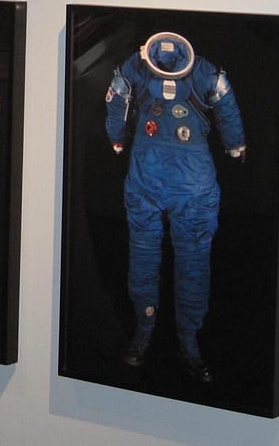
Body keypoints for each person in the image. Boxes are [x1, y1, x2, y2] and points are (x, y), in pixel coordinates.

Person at [105, 31, 245, 382]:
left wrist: (116, 138)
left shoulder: (140, 68)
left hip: (168, 183)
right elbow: (227, 108)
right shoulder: (203, 73)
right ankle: (159, 334)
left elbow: (117, 101)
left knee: (169, 261)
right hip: (173, 183)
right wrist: (236, 146)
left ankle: (174, 337)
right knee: (175, 262)